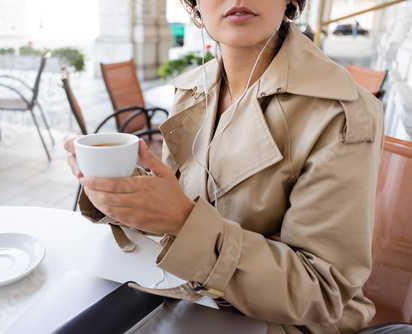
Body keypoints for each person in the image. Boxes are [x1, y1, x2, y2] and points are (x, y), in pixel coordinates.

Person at [64, 0, 384, 332]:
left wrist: (183, 220)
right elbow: (175, 212)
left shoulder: (343, 113)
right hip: (195, 297)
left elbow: (321, 293)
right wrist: (114, 183)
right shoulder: (194, 90)